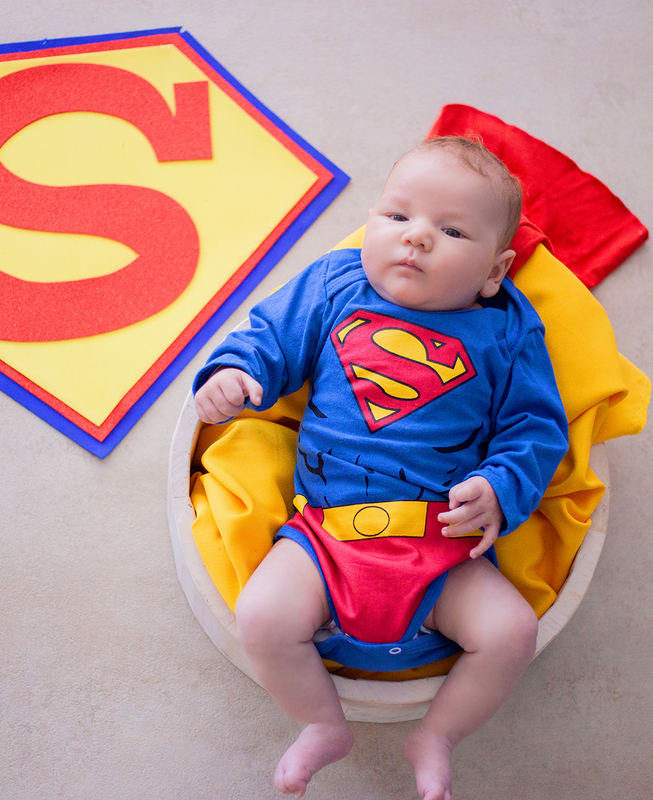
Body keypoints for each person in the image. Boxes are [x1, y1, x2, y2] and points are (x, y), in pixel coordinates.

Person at [192, 136, 569, 800]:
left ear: (494, 270)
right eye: (397, 216)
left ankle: (438, 735)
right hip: (325, 535)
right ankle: (320, 722)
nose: (416, 238)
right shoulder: (337, 283)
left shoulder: (507, 331)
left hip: (442, 542)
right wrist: (234, 372)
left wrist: (499, 490)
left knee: (511, 633)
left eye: (451, 230)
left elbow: (536, 430)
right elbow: (270, 335)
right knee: (262, 616)